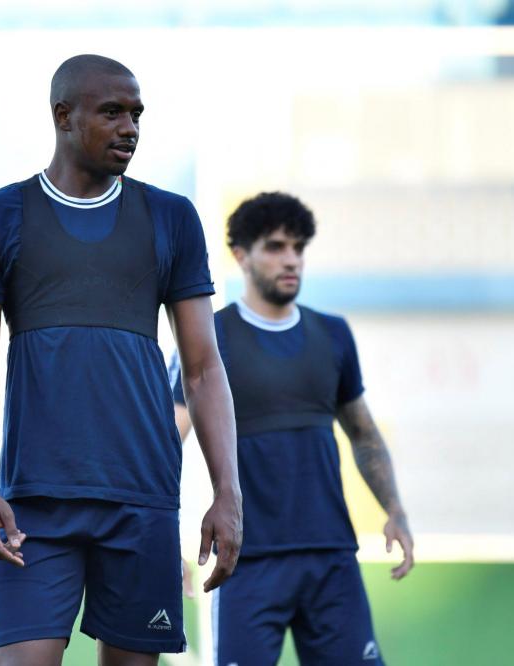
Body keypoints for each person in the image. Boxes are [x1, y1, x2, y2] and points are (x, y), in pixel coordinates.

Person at [0, 54, 242, 666]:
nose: (130, 128)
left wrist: (227, 492)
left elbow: (203, 369)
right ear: (63, 116)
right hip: (33, 506)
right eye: (112, 112)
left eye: (137, 115)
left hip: (143, 500)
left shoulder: (171, 218)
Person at [170, 192, 414, 666]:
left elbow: (363, 433)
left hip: (331, 561)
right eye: (276, 247)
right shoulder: (209, 339)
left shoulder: (333, 335)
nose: (292, 259)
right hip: (245, 562)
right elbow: (164, 443)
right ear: (241, 255)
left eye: (299, 247)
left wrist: (395, 509)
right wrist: (162, 535)